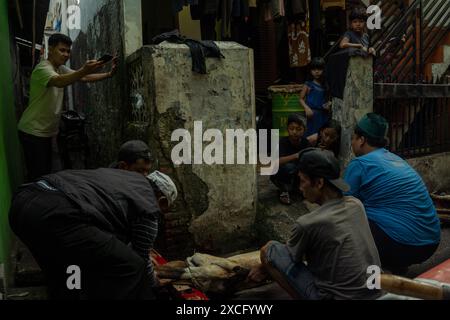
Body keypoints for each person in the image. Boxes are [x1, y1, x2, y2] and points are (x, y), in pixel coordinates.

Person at [9, 168, 177, 300]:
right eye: (164, 209)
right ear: (162, 201)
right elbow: (140, 259)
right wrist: (153, 281)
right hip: (56, 214)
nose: (160, 214)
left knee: (65, 270)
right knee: (131, 267)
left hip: (23, 202)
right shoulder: (149, 206)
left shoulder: (122, 177)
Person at [249, 148, 382, 300]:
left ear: (319, 183)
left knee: (269, 250)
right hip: (375, 292)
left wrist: (263, 266)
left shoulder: (307, 223)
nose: (300, 187)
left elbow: (289, 256)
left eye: (303, 181)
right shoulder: (356, 205)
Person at [344, 113, 441, 274]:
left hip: (402, 244)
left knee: (348, 216)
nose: (352, 143)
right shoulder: (395, 159)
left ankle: (367, 282)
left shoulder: (360, 163)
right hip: (430, 243)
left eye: (353, 138)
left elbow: (341, 203)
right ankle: (395, 266)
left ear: (361, 140)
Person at [17, 33, 118, 182]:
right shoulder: (43, 69)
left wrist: (108, 74)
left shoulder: (60, 68)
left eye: (68, 51)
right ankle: (35, 202)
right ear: (50, 49)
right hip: (33, 131)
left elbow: (82, 77)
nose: (66, 54)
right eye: (62, 50)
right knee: (38, 175)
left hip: (44, 132)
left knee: (45, 172)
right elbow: (59, 81)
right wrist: (83, 70)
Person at [271, 114, 310, 205]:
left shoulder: (305, 142)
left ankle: (296, 187)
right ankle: (283, 190)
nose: (294, 132)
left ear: (304, 130)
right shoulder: (283, 142)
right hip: (280, 172)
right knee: (289, 167)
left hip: (297, 172)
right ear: (287, 129)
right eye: (291, 129)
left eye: (298, 129)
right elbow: (277, 162)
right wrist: (296, 155)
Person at [300, 57, 331, 138]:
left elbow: (329, 100)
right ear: (310, 71)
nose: (316, 72)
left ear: (323, 70)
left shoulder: (326, 85)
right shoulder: (308, 84)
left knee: (321, 136)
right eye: (314, 69)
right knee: (310, 136)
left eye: (319, 69)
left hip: (323, 115)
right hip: (311, 114)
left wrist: (328, 104)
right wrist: (306, 108)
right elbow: (300, 99)